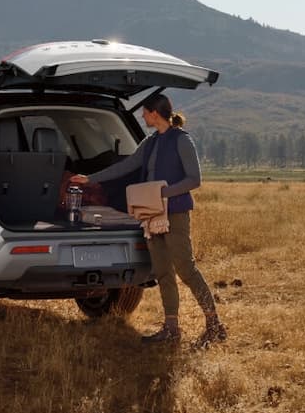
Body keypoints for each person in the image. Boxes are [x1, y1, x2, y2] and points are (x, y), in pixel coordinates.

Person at [70, 93, 226, 348]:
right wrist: (90, 178)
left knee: (186, 269)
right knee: (163, 271)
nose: (142, 116)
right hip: (151, 213)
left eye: (144, 112)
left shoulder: (182, 140)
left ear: (155, 113)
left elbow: (194, 180)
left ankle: (214, 325)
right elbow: (127, 165)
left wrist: (161, 193)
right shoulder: (150, 142)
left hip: (174, 213)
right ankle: (171, 329)